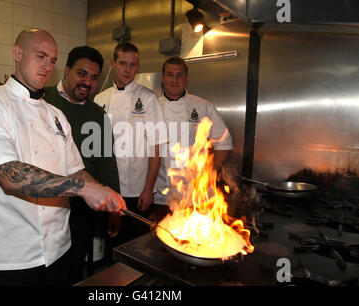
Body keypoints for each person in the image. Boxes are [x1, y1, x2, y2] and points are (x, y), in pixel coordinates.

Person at [0, 29, 126, 286]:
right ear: (18, 53)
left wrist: (101, 189)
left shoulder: (56, 115)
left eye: (52, 61)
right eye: (41, 56)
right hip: (9, 257)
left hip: (59, 249)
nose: (47, 66)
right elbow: (10, 175)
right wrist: (83, 189)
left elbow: (75, 170)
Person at [44, 46, 121, 284]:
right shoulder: (43, 99)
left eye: (94, 77)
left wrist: (114, 205)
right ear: (66, 71)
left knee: (74, 266)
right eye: (81, 74)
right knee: (47, 269)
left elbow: (107, 161)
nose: (87, 82)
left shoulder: (97, 114)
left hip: (82, 206)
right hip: (46, 200)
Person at [94, 42, 167, 246]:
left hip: (138, 190)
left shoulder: (148, 98)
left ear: (138, 66)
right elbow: (97, 149)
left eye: (133, 64)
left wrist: (149, 188)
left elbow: (156, 147)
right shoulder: (100, 99)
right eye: (123, 63)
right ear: (113, 63)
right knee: (112, 244)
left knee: (137, 246)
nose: (128, 69)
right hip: (108, 189)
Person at [154, 56, 233, 209]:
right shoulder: (152, 106)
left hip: (195, 194)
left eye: (179, 75)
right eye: (170, 75)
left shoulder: (203, 106)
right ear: (163, 78)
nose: (174, 80)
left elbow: (224, 143)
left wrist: (208, 175)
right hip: (159, 195)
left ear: (186, 78)